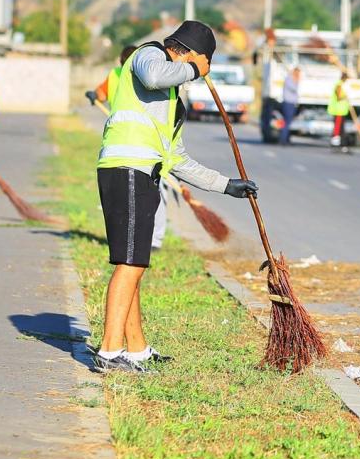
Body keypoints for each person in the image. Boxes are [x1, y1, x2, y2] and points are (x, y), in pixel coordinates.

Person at [93, 21, 258, 373]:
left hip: (143, 172)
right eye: (205, 62)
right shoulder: (147, 55)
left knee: (132, 263)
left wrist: (225, 185)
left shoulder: (171, 101)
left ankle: (136, 349)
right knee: (130, 264)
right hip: (128, 168)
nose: (204, 71)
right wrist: (194, 69)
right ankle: (109, 351)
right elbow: (155, 74)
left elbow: (177, 158)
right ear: (191, 52)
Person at [327, 71, 350, 150]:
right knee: (338, 127)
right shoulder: (339, 85)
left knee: (341, 128)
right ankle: (335, 142)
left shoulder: (341, 85)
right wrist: (345, 97)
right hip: (338, 110)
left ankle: (341, 143)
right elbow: (339, 96)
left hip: (342, 110)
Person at [281, 66, 300, 144]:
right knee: (287, 122)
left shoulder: (291, 79)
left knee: (289, 122)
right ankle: (283, 139)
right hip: (288, 103)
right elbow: (294, 88)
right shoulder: (289, 79)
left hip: (292, 103)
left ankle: (286, 138)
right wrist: (297, 80)